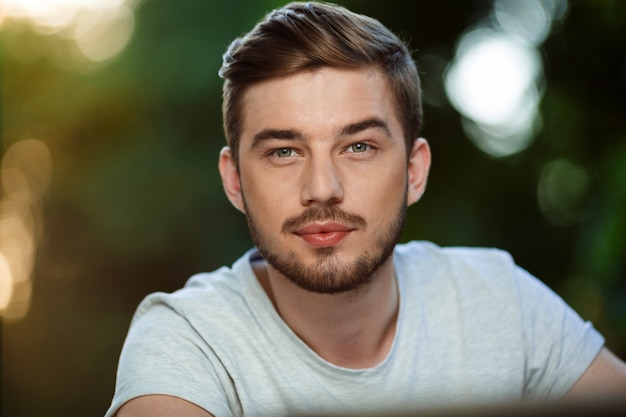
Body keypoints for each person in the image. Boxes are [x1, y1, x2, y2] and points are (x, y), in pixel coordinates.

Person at [106, 2, 626, 416]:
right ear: (235, 181)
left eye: (358, 147)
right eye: (283, 151)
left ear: (414, 172)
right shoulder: (187, 339)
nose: (323, 189)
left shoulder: (497, 300)